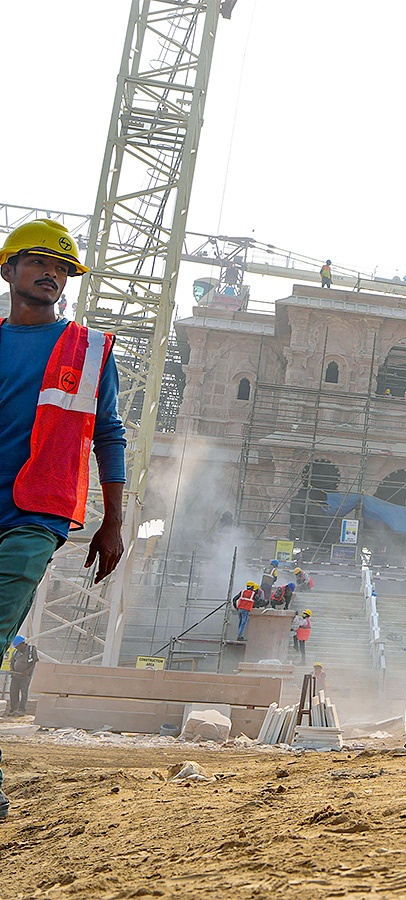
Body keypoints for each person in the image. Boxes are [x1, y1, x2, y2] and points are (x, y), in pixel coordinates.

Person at [0, 221, 126, 820]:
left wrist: (114, 520)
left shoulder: (90, 351)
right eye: (37, 263)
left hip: (35, 513)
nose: (51, 273)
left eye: (61, 267)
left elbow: (110, 436)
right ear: (9, 271)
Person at [4, 636, 38, 716]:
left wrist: (27, 671)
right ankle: (13, 710)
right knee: (13, 692)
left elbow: (36, 661)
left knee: (23, 692)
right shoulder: (16, 652)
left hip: (25, 676)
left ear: (22, 644)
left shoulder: (31, 650)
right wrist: (12, 670)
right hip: (16, 676)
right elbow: (12, 662)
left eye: (17, 646)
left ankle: (21, 710)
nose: (17, 648)